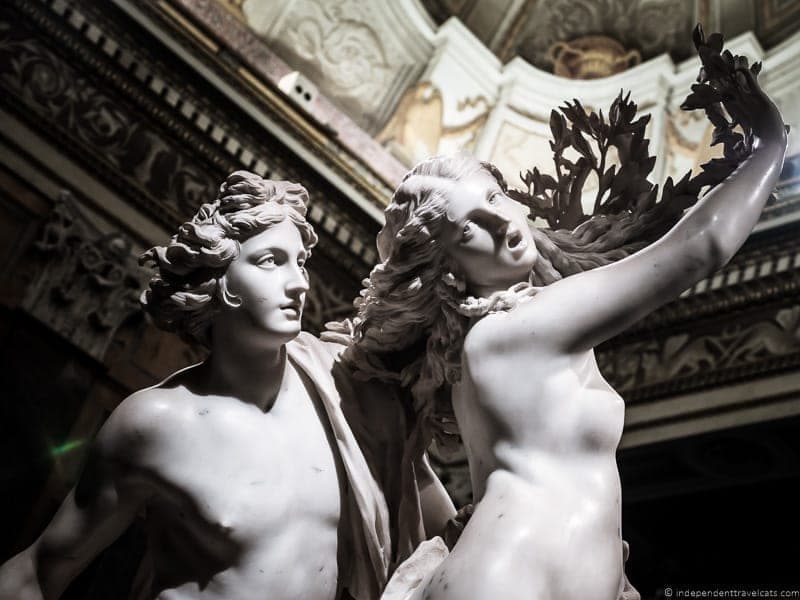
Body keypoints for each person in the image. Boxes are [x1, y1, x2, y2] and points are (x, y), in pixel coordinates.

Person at [342, 37, 788, 600]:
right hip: (510, 579)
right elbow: (699, 248)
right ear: (448, 271)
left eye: (496, 196)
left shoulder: (484, 347)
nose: (502, 220)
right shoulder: (514, 332)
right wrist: (771, 145)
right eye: (468, 228)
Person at [0, 171, 421, 600]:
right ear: (220, 277)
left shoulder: (341, 396)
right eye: (270, 261)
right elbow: (39, 570)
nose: (298, 283)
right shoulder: (158, 422)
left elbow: (437, 528)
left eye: (299, 262)